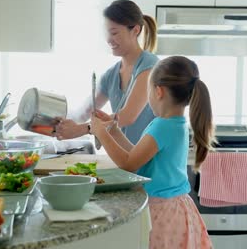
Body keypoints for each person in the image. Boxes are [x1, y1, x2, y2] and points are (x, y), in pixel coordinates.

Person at [90, 56, 214, 249]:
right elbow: (138, 156)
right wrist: (112, 130)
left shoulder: (163, 127)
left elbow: (129, 163)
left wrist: (100, 133)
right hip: (174, 208)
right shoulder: (173, 124)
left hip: (162, 211)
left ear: (158, 91)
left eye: (148, 89)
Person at [55, 0, 159, 145]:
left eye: (114, 33)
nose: (109, 39)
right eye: (107, 33)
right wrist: (55, 119)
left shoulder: (150, 65)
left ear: (135, 30)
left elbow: (128, 116)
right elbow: (83, 113)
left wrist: (81, 129)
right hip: (125, 160)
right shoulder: (111, 75)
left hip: (149, 161)